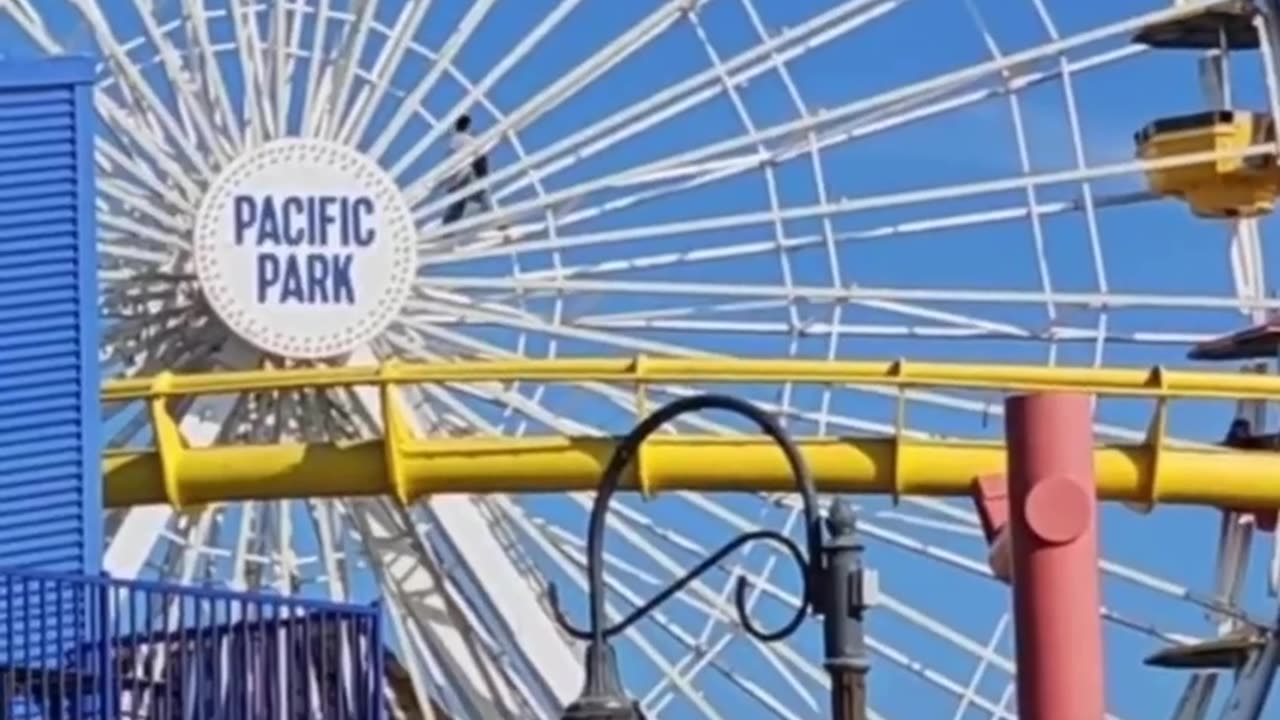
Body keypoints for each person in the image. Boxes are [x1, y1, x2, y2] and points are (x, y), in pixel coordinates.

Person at [441, 114, 493, 225]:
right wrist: (483, 176)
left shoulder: (454, 140)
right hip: (465, 175)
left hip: (453, 180)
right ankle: (494, 219)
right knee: (483, 193)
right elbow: (480, 158)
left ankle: (446, 229)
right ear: (468, 126)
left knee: (458, 204)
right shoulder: (468, 140)